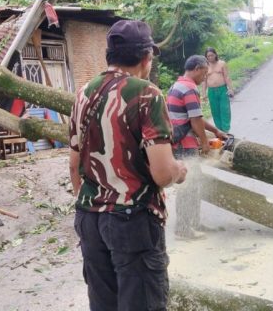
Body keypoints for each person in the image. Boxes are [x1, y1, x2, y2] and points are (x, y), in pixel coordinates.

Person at [69, 20, 188, 311]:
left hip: (89, 219)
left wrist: (94, 205)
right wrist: (179, 172)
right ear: (146, 58)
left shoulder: (84, 94)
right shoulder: (147, 93)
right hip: (131, 220)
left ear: (109, 55)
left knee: (103, 303)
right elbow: (161, 173)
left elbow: (74, 166)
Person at [167, 55, 227, 240]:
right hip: (185, 144)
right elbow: (195, 121)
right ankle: (183, 229)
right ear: (197, 69)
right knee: (188, 186)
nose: (205, 78)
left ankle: (193, 222)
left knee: (195, 183)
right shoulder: (190, 89)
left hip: (179, 142)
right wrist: (204, 142)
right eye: (204, 74)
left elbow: (196, 117)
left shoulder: (176, 85)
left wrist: (216, 131)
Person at [201, 47, 233, 133]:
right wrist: (203, 94)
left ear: (215, 54)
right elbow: (204, 81)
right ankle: (219, 131)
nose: (210, 57)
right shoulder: (205, 66)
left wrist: (230, 89)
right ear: (206, 57)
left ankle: (226, 130)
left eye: (212, 55)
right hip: (211, 91)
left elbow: (227, 77)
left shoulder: (222, 64)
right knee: (215, 111)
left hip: (223, 90)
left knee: (225, 109)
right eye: (208, 56)